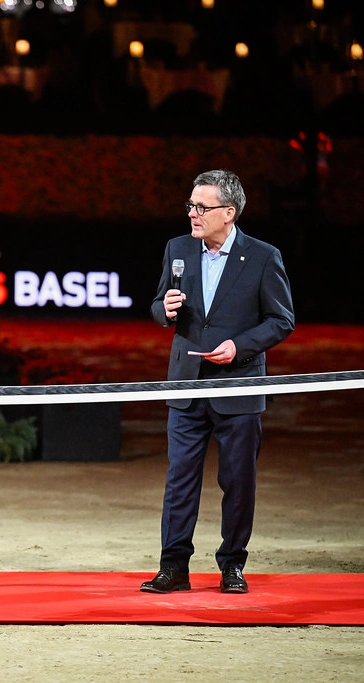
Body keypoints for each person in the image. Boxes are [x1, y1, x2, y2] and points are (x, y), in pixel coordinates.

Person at [142, 169, 295, 595]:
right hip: (186, 386)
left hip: (238, 386)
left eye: (201, 207)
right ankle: (173, 567)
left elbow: (282, 320)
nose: (192, 213)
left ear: (228, 213)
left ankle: (232, 566)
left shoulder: (263, 257)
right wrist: (164, 310)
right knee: (180, 481)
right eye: (191, 205)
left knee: (238, 482)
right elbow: (157, 305)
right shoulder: (177, 248)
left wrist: (240, 346)